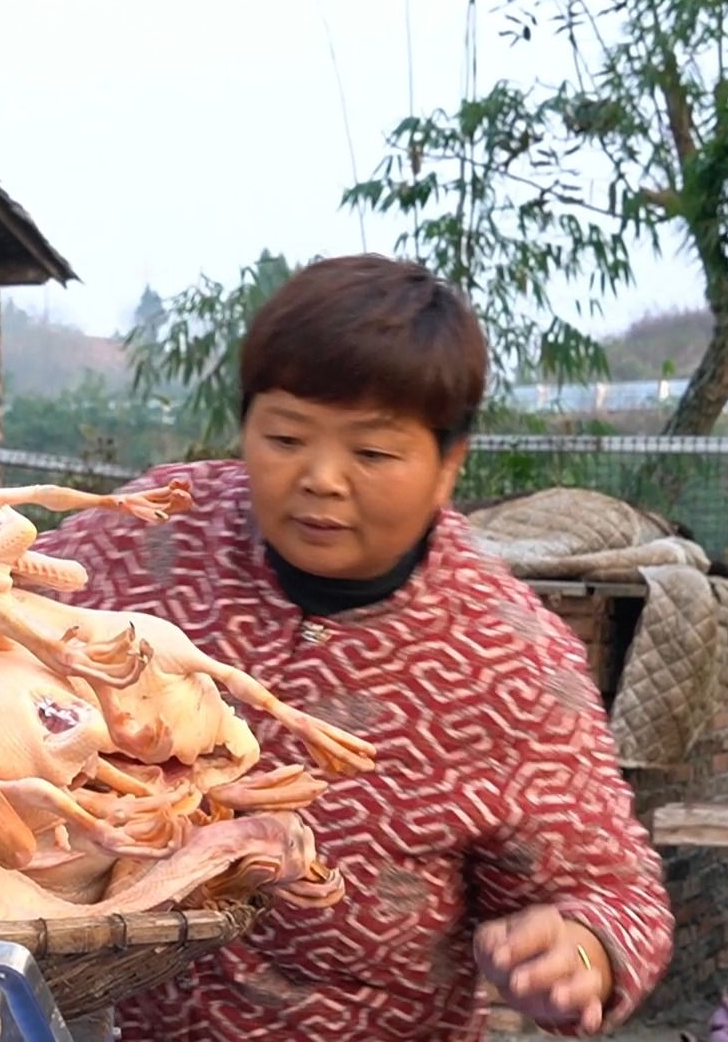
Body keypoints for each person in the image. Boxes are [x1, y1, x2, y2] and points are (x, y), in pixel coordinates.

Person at [33, 254, 674, 1040]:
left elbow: (618, 894)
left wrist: (582, 950)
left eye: (372, 453)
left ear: (448, 465)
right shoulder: (149, 536)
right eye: (286, 436)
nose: (322, 478)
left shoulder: (510, 663)